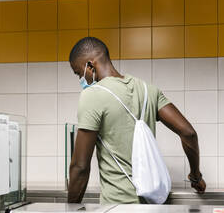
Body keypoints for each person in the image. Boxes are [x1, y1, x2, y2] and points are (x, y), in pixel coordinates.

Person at [67, 37, 206, 204]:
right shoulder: (149, 90)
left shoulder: (92, 95)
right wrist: (196, 177)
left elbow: (80, 167)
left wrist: (71, 212)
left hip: (117, 209)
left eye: (78, 73)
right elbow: (188, 133)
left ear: (90, 66)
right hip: (153, 204)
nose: (81, 80)